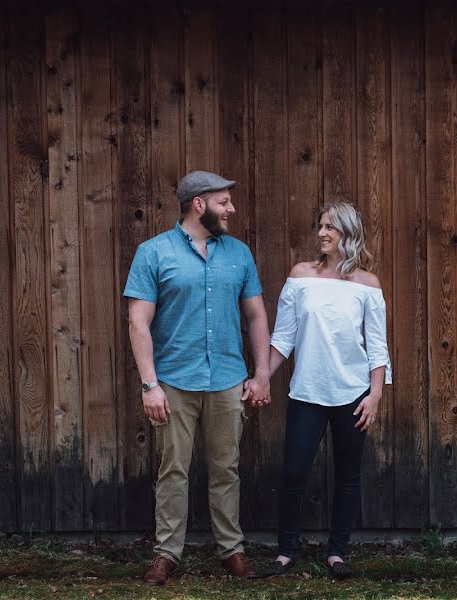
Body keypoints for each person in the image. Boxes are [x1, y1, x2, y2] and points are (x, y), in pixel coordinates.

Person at [124, 171, 271, 585]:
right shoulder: (153, 253)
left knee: (227, 468)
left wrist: (262, 375)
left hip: (227, 378)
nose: (232, 210)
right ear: (199, 204)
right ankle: (167, 554)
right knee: (174, 470)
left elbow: (256, 316)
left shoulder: (239, 254)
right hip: (173, 382)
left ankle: (232, 551)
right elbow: (138, 322)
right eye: (225, 202)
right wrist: (150, 384)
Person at [257, 202, 392, 579]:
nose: (322, 233)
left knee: (348, 475)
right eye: (320, 226)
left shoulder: (368, 285)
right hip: (307, 392)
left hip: (353, 395)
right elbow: (284, 338)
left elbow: (377, 346)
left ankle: (337, 553)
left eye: (330, 226)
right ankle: (286, 551)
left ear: (349, 232)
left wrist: (375, 394)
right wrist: (262, 376)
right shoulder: (300, 277)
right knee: (294, 472)